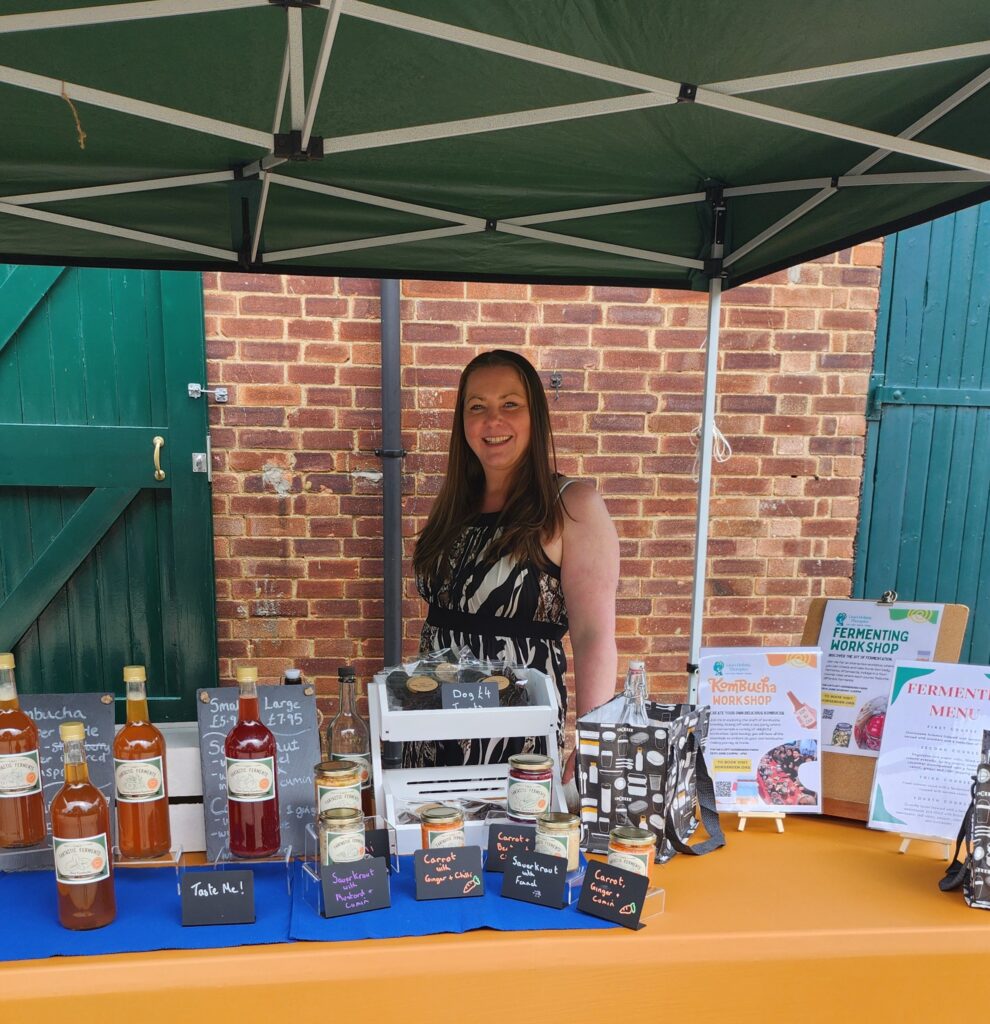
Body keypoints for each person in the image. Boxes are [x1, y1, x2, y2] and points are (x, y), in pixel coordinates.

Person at [410, 349, 619, 781]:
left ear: (535, 415)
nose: (493, 421)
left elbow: (593, 634)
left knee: (511, 843)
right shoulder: (454, 506)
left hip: (515, 735)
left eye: (510, 404)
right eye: (477, 407)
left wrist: (593, 740)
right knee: (433, 843)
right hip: (432, 725)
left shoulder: (573, 506)